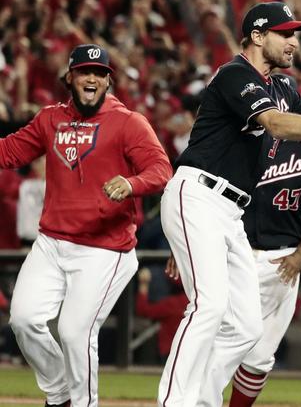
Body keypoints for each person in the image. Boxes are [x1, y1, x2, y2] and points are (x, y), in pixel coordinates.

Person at [157, 2, 301, 407]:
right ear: (258, 37)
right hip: (197, 193)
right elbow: (277, 125)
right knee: (208, 306)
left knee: (244, 328)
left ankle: (203, 400)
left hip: (229, 211)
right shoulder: (235, 75)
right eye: (286, 33)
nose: (294, 42)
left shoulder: (282, 88)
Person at [0, 44, 172, 407]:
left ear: (108, 80)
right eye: (84, 71)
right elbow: (9, 152)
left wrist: (131, 183)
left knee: (74, 332)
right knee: (24, 320)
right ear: (70, 77)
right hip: (51, 243)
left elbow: (161, 170)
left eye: (99, 73)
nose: (91, 78)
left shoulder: (128, 121)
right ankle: (61, 394)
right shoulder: (49, 119)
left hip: (104, 248)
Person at [225, 137, 301, 406]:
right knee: (215, 339)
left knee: (261, 356)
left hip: (281, 260)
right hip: (232, 252)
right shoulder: (233, 146)